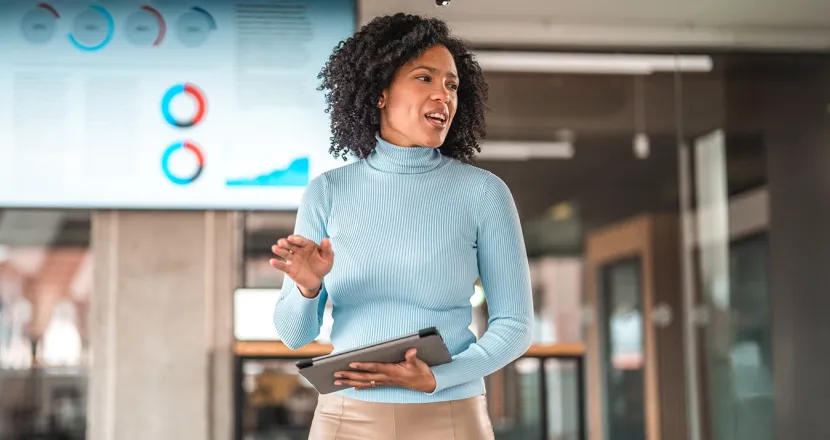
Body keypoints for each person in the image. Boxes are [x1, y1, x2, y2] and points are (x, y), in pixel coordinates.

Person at [271, 12, 533, 440]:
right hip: (345, 419)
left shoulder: (483, 193)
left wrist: (438, 378)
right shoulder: (328, 191)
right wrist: (307, 287)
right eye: (425, 78)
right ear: (379, 93)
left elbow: (515, 325)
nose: (444, 96)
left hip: (451, 414)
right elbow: (294, 336)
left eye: (451, 85)